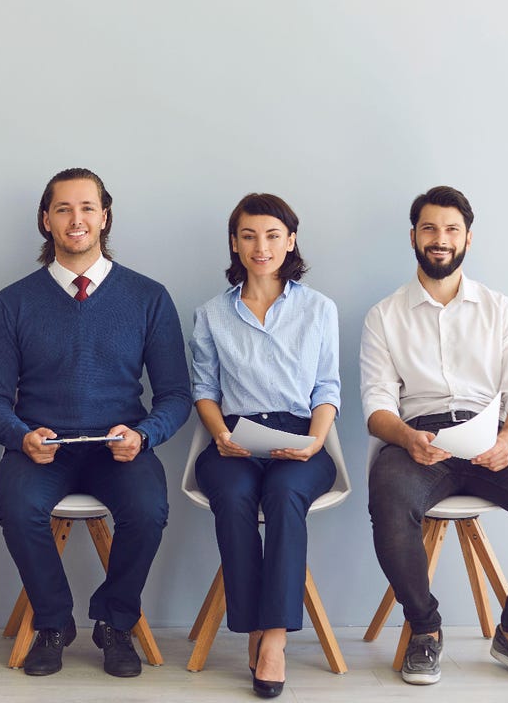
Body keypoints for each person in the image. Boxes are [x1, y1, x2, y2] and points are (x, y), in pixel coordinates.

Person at [360, 185, 508, 686]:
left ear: (467, 238)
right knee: (389, 500)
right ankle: (425, 630)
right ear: (414, 237)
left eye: (451, 229)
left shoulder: (499, 309)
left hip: (490, 440)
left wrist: (505, 441)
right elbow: (376, 407)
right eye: (430, 229)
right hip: (418, 443)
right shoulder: (384, 315)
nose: (440, 239)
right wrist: (406, 437)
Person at [0, 167, 191, 678]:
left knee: (148, 509)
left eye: (87, 208)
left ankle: (116, 622)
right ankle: (52, 622)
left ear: (105, 217)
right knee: (17, 507)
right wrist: (20, 436)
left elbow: (176, 396)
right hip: (40, 449)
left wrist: (144, 435)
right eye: (64, 209)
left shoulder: (148, 297)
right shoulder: (14, 302)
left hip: (118, 449)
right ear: (45, 221)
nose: (77, 220)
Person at [189, 194, 340, 699]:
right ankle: (252, 628)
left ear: (290, 240)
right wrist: (221, 435)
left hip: (301, 435)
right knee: (232, 498)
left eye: (273, 235)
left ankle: (271, 638)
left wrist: (316, 440)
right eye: (249, 235)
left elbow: (327, 389)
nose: (261, 246)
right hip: (234, 436)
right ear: (234, 243)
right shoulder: (212, 313)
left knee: (281, 498)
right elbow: (204, 390)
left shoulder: (319, 309)